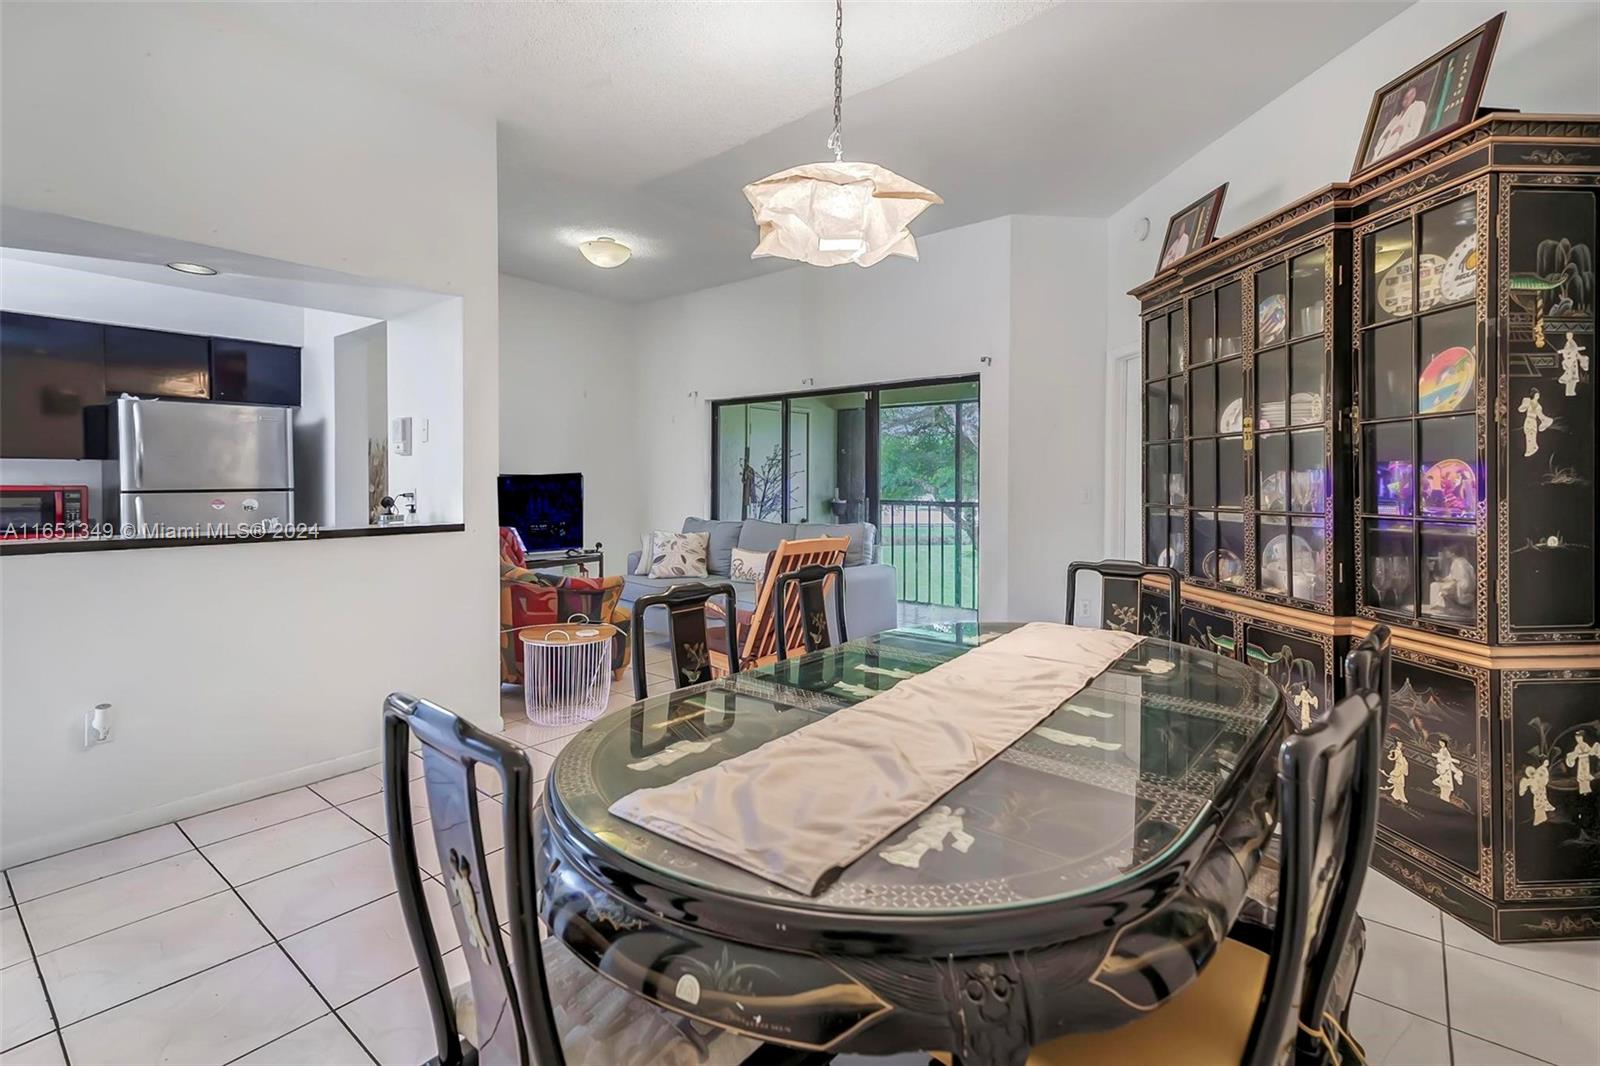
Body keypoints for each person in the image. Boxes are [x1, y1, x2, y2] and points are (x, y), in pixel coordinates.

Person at [1371, 83, 1428, 161]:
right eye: (1406, 96)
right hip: (1385, 155)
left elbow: (1416, 130)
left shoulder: (1418, 106)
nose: (1408, 97)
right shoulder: (1396, 118)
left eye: (1412, 94)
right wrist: (1388, 135)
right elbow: (1381, 140)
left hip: (1402, 153)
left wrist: (1402, 130)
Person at [1434, 739, 1464, 804]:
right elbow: (1440, 758)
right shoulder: (1441, 750)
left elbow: (1447, 759)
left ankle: (1445, 800)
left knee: (1446, 786)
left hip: (1446, 770)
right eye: (1440, 743)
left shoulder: (1445, 751)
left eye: (1442, 743)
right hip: (1444, 769)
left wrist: (1443, 760)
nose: (1441, 744)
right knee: (1443, 786)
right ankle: (1443, 799)